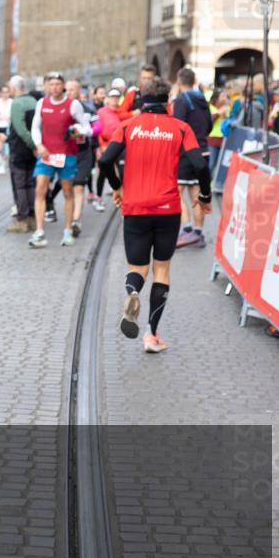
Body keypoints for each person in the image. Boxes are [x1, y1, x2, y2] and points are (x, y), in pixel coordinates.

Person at [99, 77, 211, 353]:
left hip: (135, 207)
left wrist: (118, 187)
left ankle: (132, 293)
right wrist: (205, 196)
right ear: (168, 100)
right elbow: (199, 164)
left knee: (137, 269)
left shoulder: (128, 126)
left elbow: (104, 160)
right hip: (167, 209)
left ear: (140, 100)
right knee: (161, 269)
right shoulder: (181, 127)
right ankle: (151, 335)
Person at [29, 71, 92, 247]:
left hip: (67, 154)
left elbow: (88, 128)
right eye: (51, 84)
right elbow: (35, 127)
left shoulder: (73, 105)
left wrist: (79, 131)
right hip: (46, 154)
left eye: (57, 84)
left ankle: (67, 231)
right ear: (46, 86)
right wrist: (39, 145)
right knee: (40, 190)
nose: (54, 87)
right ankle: (40, 232)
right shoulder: (42, 103)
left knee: (67, 192)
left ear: (62, 86)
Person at [171, 69, 212, 249]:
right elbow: (209, 124)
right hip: (203, 150)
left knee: (177, 191)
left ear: (179, 82)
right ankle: (198, 232)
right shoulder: (203, 99)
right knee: (197, 193)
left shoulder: (181, 101)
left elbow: (177, 127)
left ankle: (187, 229)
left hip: (188, 152)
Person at [66, 79, 100, 239]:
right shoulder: (62, 110)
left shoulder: (87, 110)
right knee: (68, 189)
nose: (70, 93)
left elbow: (98, 127)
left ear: (79, 92)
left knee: (79, 187)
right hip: (67, 154)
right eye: (68, 90)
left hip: (84, 153)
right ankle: (69, 216)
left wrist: (87, 133)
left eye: (73, 90)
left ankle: (76, 220)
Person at [5, 75, 38, 233]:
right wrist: (36, 145)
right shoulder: (33, 101)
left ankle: (23, 219)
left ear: (14, 88)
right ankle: (32, 217)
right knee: (30, 183)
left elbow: (20, 129)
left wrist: (31, 143)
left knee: (19, 184)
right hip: (32, 150)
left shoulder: (17, 103)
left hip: (20, 149)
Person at [94, 88, 123, 212]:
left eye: (117, 97)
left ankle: (122, 196)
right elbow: (97, 130)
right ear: (108, 98)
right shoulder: (101, 111)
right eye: (112, 97)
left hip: (121, 145)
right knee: (103, 171)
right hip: (106, 145)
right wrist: (101, 146)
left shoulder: (121, 112)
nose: (114, 99)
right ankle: (98, 198)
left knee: (122, 171)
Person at [0, 85, 12, 173]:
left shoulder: (12, 102)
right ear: (0, 93)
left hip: (8, 126)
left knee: (7, 149)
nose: (5, 94)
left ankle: (3, 164)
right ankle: (0, 162)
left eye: (6, 92)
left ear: (9, 93)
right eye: (3, 92)